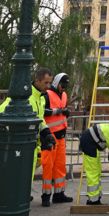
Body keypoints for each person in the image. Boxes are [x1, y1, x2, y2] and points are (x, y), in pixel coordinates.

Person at [0, 67, 56, 211]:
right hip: (18, 146)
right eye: (46, 83)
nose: (48, 86)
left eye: (49, 83)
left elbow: (39, 120)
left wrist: (47, 133)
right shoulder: (24, 98)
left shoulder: (40, 98)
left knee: (26, 177)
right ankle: (14, 207)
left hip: (30, 145)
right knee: (17, 178)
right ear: (37, 80)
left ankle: (21, 203)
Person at [40, 72, 73, 206]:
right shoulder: (46, 94)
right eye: (62, 85)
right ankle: (46, 196)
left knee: (60, 165)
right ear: (56, 83)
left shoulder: (64, 95)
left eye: (65, 86)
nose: (64, 88)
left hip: (61, 134)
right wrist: (57, 111)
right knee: (48, 166)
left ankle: (59, 194)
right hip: (49, 135)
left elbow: (60, 110)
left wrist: (65, 111)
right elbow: (41, 112)